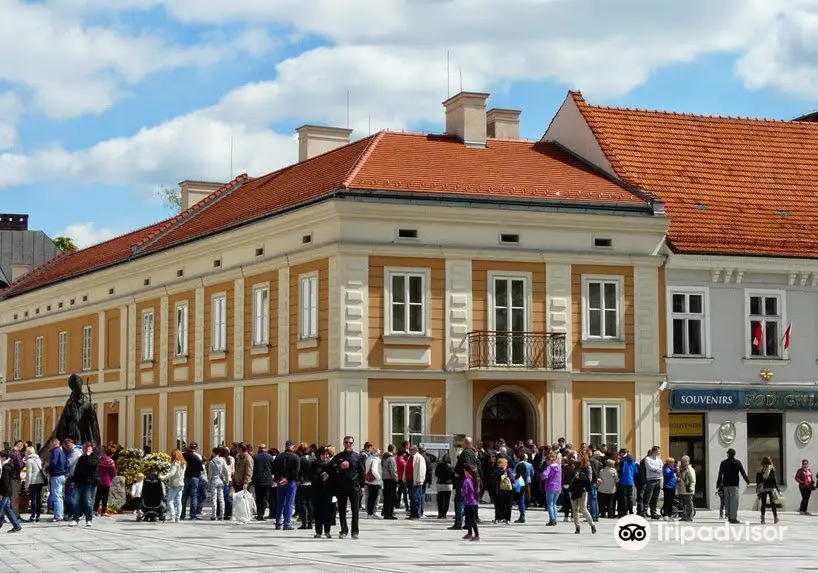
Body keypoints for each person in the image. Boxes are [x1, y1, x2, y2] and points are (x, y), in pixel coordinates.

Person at [330, 436, 365, 539]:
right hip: (342, 487)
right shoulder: (338, 456)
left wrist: (362, 486)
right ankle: (344, 530)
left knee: (355, 510)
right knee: (342, 510)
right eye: (346, 442)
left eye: (350, 443)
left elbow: (362, 472)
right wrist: (339, 467)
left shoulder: (358, 457)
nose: (348, 444)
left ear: (353, 444)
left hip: (354, 487)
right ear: (343, 443)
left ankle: (355, 531)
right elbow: (332, 469)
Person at [451, 437, 478, 530]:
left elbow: (466, 464)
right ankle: (467, 523)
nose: (461, 444)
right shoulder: (473, 452)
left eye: (463, 442)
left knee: (459, 502)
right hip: (469, 480)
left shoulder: (466, 452)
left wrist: (458, 472)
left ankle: (458, 523)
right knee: (467, 502)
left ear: (466, 443)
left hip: (462, 480)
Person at [69, 441, 99, 527]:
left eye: (87, 448)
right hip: (79, 482)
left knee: (88, 501)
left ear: (92, 449)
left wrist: (88, 455)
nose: (85, 450)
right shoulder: (81, 458)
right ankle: (75, 519)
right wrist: (74, 481)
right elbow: (77, 470)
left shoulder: (94, 458)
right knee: (77, 501)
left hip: (88, 483)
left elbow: (91, 465)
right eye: (85, 448)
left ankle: (89, 519)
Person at [716, 448, 750, 524]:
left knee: (727, 501)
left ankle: (728, 515)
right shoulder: (737, 462)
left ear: (728, 454)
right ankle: (733, 518)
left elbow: (720, 475)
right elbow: (743, 472)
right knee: (734, 502)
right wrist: (747, 481)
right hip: (734, 485)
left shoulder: (723, 463)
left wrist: (718, 485)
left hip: (726, 485)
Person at [273, 440, 300, 531]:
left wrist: (279, 478)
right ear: (292, 446)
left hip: (280, 481)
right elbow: (296, 471)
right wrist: (288, 479)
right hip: (290, 481)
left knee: (280, 502)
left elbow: (274, 469)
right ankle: (287, 523)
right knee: (289, 503)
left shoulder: (279, 456)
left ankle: (278, 523)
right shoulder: (296, 457)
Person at [568, 453, 596, 534]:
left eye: (579, 456)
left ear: (583, 457)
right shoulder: (576, 466)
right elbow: (569, 459)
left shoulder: (588, 467)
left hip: (582, 490)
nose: (577, 458)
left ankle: (592, 525)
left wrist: (580, 476)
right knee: (574, 510)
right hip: (573, 489)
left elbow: (589, 480)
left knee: (583, 509)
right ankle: (577, 527)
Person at [311, 447, 334, 539]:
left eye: (327, 454)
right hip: (317, 491)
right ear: (319, 455)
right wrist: (321, 476)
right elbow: (312, 476)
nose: (325, 456)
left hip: (328, 491)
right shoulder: (315, 464)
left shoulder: (331, 464)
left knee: (328, 512)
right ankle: (318, 532)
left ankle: (327, 531)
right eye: (323, 454)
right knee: (318, 512)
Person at [160, 450, 186, 523]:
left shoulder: (175, 463)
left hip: (174, 483)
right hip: (181, 483)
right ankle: (178, 517)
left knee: (169, 501)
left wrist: (163, 477)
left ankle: (172, 517)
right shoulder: (183, 463)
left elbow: (172, 473)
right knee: (178, 501)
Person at [253, 444, 276, 522]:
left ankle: (259, 513)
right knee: (265, 498)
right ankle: (262, 513)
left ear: (259, 449)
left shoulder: (255, 457)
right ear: (265, 449)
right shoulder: (270, 457)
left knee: (258, 497)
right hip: (267, 480)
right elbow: (273, 468)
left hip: (257, 480)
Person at [46, 438, 67, 523]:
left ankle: (58, 516)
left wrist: (48, 469)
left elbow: (53, 463)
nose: (50, 446)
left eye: (51, 444)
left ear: (54, 444)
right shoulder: (62, 451)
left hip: (56, 475)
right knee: (59, 496)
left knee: (56, 496)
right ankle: (60, 514)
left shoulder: (55, 451)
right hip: (62, 475)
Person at [0, 451, 22, 532]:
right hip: (8, 491)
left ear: (4, 458)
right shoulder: (9, 466)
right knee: (7, 509)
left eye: (0, 457)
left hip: (4, 492)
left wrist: (1, 493)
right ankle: (16, 525)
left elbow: (5, 482)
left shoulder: (6, 467)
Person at [181, 443, 204, 520]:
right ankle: (192, 515)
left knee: (184, 496)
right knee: (194, 496)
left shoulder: (183, 454)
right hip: (195, 477)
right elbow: (201, 468)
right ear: (196, 448)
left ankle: (182, 514)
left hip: (185, 477)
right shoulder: (197, 456)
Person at [24, 446, 46, 523]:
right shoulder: (38, 459)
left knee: (33, 499)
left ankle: (33, 515)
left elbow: (29, 474)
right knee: (38, 499)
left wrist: (26, 485)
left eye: (26, 452)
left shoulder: (29, 461)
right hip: (40, 481)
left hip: (33, 482)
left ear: (28, 452)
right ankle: (38, 516)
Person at [756, 456, 780, 525]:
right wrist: (778, 490)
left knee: (763, 503)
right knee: (773, 503)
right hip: (771, 487)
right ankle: (775, 518)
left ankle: (762, 518)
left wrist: (758, 488)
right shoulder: (771, 468)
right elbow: (774, 480)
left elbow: (757, 480)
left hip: (763, 488)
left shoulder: (760, 469)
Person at [297, 443, 315, 530]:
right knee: (310, 503)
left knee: (303, 503)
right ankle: (310, 523)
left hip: (303, 483)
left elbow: (298, 471)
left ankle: (304, 523)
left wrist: (298, 480)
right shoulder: (313, 458)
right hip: (311, 483)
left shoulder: (300, 459)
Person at [95, 446, 117, 516]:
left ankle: (95, 510)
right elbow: (114, 472)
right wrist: (111, 477)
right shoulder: (110, 461)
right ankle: (103, 511)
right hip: (107, 480)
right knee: (105, 497)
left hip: (99, 480)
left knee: (98, 496)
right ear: (112, 454)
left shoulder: (100, 459)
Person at [540, 452, 561, 526]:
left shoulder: (549, 467)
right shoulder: (559, 467)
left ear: (549, 460)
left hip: (550, 486)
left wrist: (542, 476)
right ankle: (555, 518)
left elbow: (544, 475)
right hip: (558, 487)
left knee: (550, 504)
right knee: (554, 503)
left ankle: (552, 519)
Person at [208, 448, 229, 520]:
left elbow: (210, 475)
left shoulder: (211, 462)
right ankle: (221, 515)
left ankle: (214, 515)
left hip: (214, 481)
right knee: (221, 498)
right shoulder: (222, 460)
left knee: (214, 498)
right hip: (220, 481)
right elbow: (226, 471)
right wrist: (227, 481)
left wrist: (208, 485)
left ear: (213, 453)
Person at [407, 444, 427, 520]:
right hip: (409, 480)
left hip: (416, 480)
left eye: (411, 450)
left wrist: (420, 480)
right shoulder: (410, 457)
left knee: (416, 498)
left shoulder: (419, 458)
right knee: (411, 498)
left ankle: (416, 514)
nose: (409, 451)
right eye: (409, 450)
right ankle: (412, 513)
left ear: (415, 450)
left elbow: (421, 470)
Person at [617, 450, 638, 517]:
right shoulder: (633, 463)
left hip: (623, 481)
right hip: (630, 481)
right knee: (630, 497)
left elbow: (621, 471)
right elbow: (635, 472)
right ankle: (631, 511)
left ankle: (625, 511)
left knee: (624, 497)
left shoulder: (623, 461)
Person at [461, 465, 480, 541]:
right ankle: (469, 533)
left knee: (471, 519)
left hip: (469, 502)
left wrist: (462, 492)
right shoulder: (475, 480)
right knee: (469, 518)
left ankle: (476, 534)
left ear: (468, 472)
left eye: (465, 471)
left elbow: (465, 492)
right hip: (474, 502)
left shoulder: (467, 481)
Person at [364, 448, 382, 518]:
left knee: (370, 498)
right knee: (374, 498)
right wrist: (379, 478)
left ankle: (369, 513)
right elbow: (374, 470)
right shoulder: (375, 460)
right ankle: (372, 512)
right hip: (375, 481)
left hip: (368, 481)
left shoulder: (368, 459)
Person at [380, 446, 398, 520]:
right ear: (393, 449)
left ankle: (385, 512)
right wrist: (396, 479)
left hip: (385, 479)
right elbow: (392, 470)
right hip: (390, 479)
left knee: (387, 497)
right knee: (390, 497)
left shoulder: (384, 458)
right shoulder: (391, 458)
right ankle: (389, 513)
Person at [677, 455, 696, 522]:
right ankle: (684, 516)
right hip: (683, 489)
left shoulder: (690, 469)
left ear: (687, 461)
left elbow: (693, 480)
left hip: (688, 489)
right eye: (682, 461)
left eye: (684, 461)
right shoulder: (682, 469)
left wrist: (690, 488)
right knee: (684, 504)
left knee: (689, 504)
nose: (683, 462)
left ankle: (689, 517)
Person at [435, 452, 454, 519]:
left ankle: (440, 514)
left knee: (440, 500)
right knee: (447, 500)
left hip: (440, 484)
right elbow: (453, 476)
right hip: (448, 485)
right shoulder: (451, 467)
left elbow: (436, 474)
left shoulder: (439, 465)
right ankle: (444, 514)